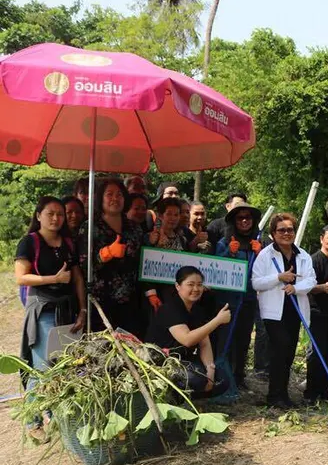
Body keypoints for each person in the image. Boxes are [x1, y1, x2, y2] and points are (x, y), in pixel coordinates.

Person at [15, 196, 86, 440]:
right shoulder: (29, 242)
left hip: (67, 310)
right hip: (42, 310)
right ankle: (33, 420)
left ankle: (57, 419)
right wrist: (52, 280)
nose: (56, 218)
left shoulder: (68, 242)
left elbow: (77, 278)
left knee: (65, 364)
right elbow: (21, 277)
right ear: (38, 216)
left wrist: (83, 310)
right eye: (50, 214)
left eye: (60, 214)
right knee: (43, 366)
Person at [252, 213, 316, 408]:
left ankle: (282, 394)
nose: (286, 233)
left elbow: (311, 280)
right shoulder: (266, 255)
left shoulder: (303, 255)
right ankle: (274, 395)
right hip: (273, 312)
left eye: (290, 230)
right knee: (280, 348)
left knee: (288, 353)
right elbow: (256, 282)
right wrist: (279, 277)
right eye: (281, 230)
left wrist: (295, 288)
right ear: (273, 233)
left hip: (295, 310)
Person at [146, 266, 231, 398]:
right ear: (178, 286)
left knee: (222, 379)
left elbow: (204, 343)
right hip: (162, 362)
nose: (196, 289)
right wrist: (217, 320)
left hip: (184, 359)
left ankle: (184, 398)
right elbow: (187, 339)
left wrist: (210, 370)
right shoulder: (169, 309)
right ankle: (172, 398)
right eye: (190, 284)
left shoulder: (197, 310)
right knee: (197, 380)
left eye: (199, 285)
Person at [78, 178, 144, 335]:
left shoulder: (134, 227)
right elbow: (82, 264)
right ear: (100, 198)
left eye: (119, 194)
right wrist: (105, 254)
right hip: (100, 302)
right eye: (109, 194)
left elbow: (141, 261)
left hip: (131, 301)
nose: (115, 198)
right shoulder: (90, 227)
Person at [215, 201, 263, 391]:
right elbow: (215, 269)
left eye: (248, 218)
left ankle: (239, 375)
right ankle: (222, 377)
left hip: (248, 299)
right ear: (233, 221)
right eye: (240, 218)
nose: (244, 221)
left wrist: (259, 253)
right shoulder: (224, 243)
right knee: (226, 338)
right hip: (227, 301)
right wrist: (229, 253)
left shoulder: (257, 244)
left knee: (243, 339)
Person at [304, 225, 328, 403]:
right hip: (316, 313)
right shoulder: (314, 260)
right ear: (322, 239)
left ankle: (325, 391)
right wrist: (322, 288)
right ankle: (311, 393)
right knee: (316, 354)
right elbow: (305, 286)